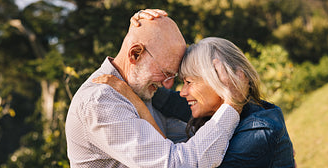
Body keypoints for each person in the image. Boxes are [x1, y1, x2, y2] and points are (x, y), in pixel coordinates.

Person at [65, 9, 243, 167]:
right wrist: (233, 104)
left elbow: (189, 141)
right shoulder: (101, 101)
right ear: (135, 54)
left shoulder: (139, 89)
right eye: (165, 72)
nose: (168, 83)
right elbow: (179, 164)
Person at [95, 37, 296, 167]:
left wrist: (133, 100)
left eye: (189, 82)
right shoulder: (220, 112)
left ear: (221, 80)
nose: (183, 92)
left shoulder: (258, 132)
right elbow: (166, 100)